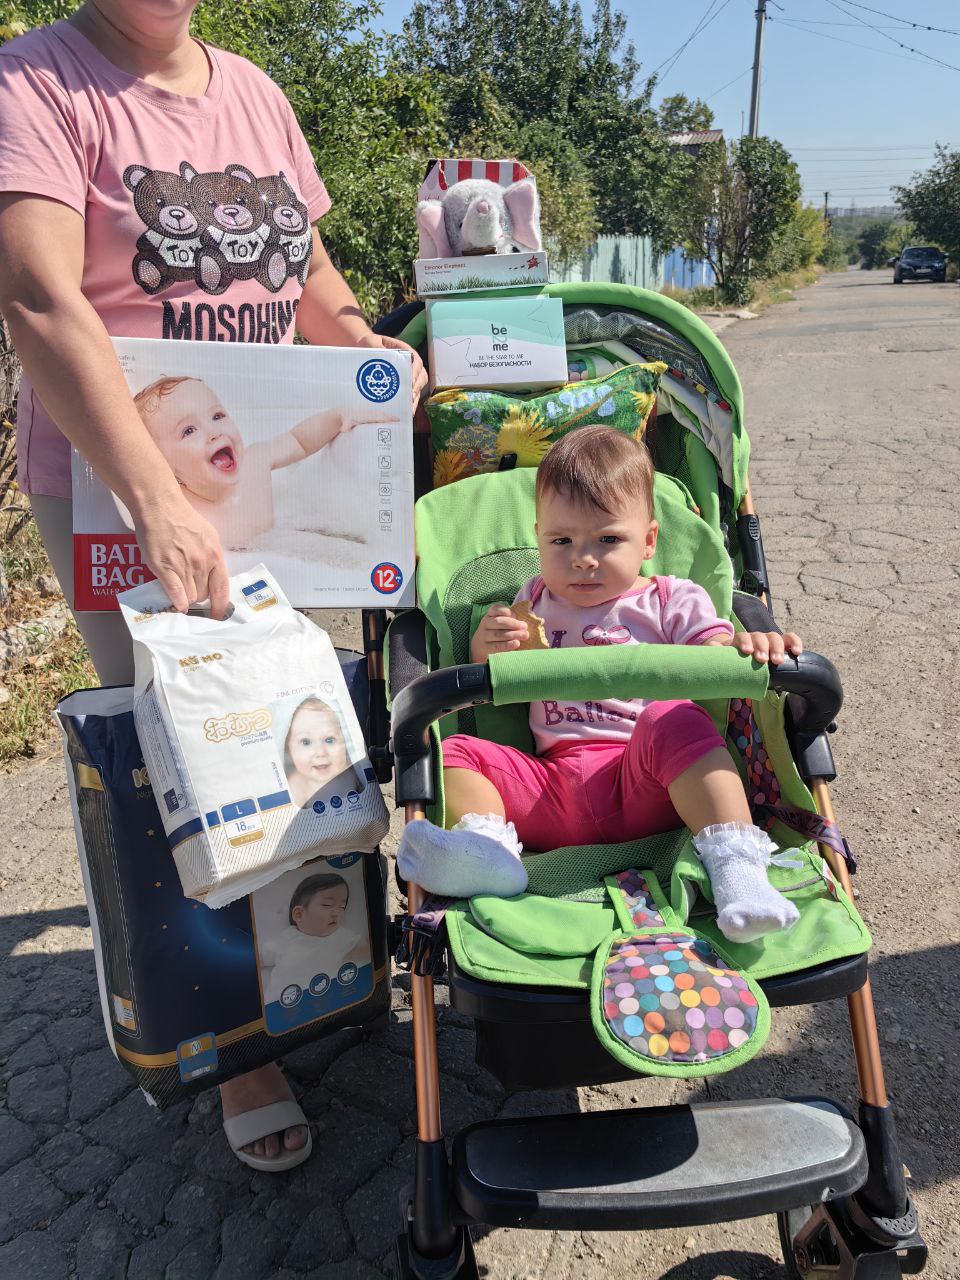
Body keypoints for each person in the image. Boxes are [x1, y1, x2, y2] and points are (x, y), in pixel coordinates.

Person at [0, 0, 425, 1171]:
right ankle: (243, 1040)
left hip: (251, 457)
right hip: (117, 488)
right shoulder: (36, 82)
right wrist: (154, 499)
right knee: (190, 749)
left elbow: (312, 277)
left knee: (289, 731)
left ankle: (319, 959)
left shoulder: (254, 90)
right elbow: (39, 297)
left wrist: (365, 351)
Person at [398, 426, 804, 943]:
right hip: (550, 790)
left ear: (649, 540)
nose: (582, 558)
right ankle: (489, 854)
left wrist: (752, 646)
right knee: (458, 750)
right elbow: (489, 675)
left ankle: (738, 870)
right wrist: (487, 645)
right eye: (561, 541)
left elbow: (715, 657)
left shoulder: (672, 600)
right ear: (538, 536)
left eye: (608, 539)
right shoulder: (534, 599)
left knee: (677, 718)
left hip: (648, 782)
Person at [134, 375, 399, 549]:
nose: (214, 432)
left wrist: (339, 416)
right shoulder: (178, 507)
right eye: (189, 431)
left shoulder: (255, 462)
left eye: (217, 416)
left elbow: (299, 441)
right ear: (165, 466)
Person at [260, 872, 366, 1007]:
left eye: (342, 907)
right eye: (328, 905)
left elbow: (367, 950)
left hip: (324, 1001)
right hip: (280, 1005)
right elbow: (259, 961)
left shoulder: (343, 937)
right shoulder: (285, 939)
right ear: (299, 914)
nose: (337, 912)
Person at [282, 696, 351, 809]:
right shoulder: (296, 785)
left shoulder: (351, 775)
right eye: (306, 742)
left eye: (329, 740)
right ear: (288, 749)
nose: (320, 752)